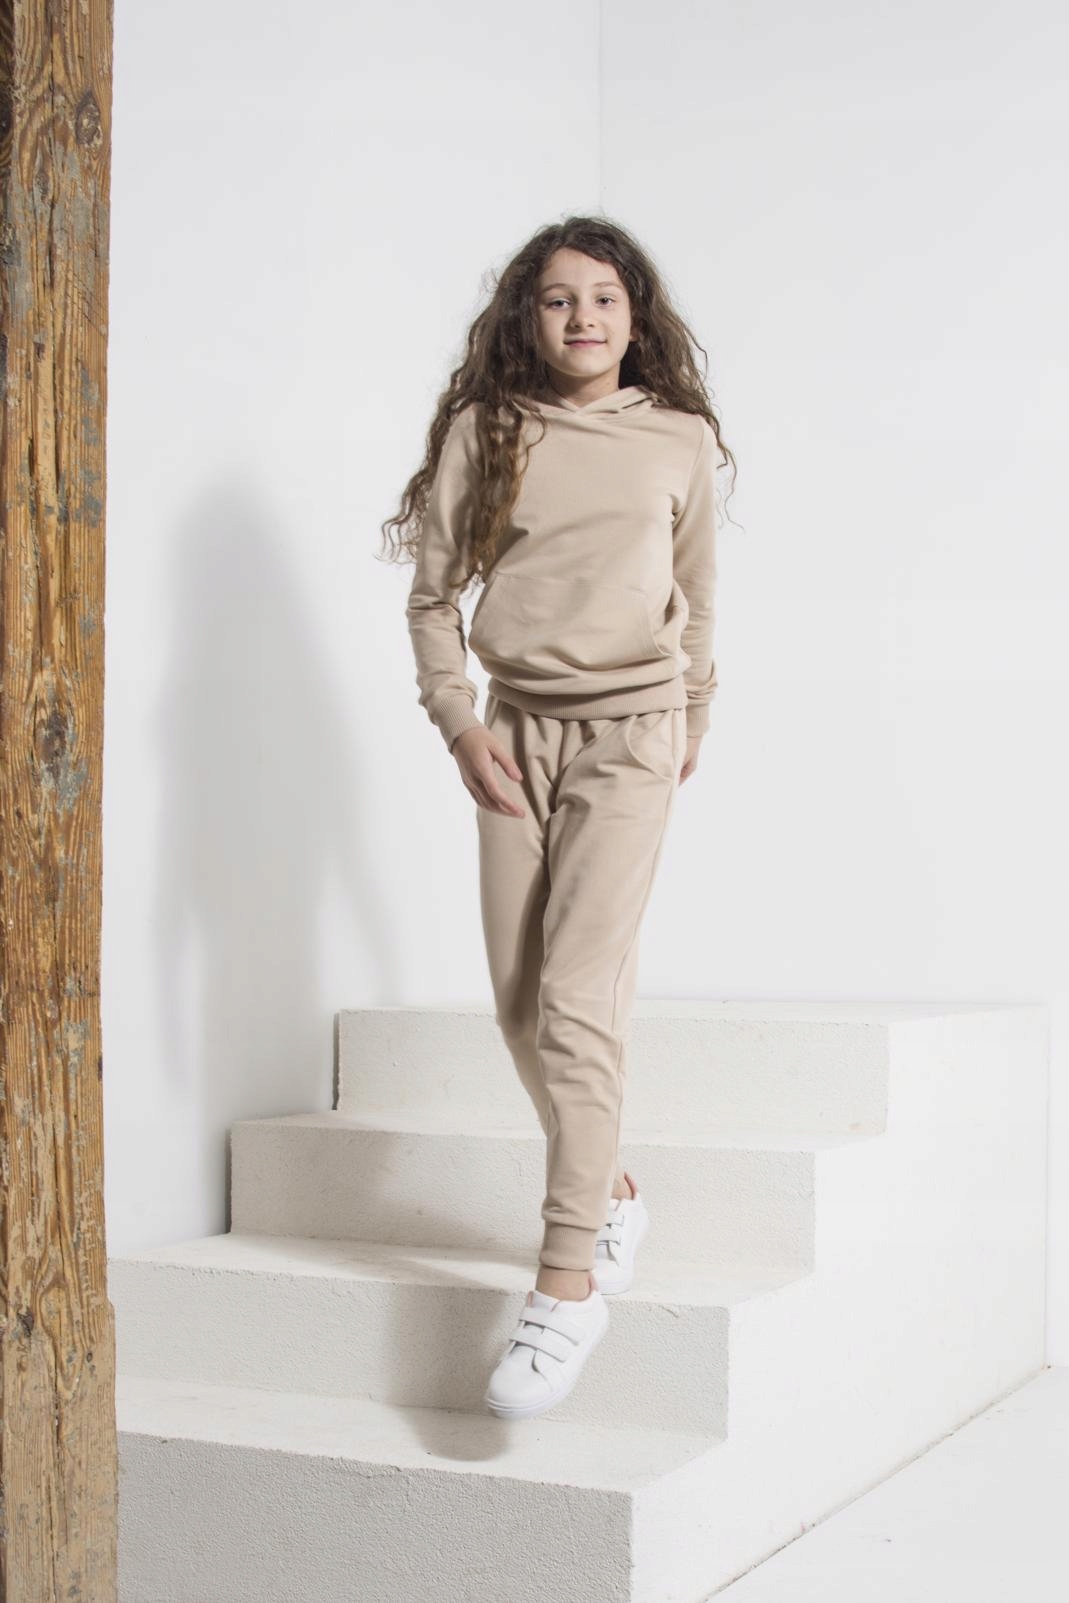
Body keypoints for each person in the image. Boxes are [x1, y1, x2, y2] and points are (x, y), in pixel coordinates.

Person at [380, 214, 733, 1421]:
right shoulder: (489, 431)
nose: (582, 316)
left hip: (633, 734)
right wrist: (457, 723)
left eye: (603, 298)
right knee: (519, 1000)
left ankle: (566, 1282)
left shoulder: (678, 439)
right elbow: (433, 598)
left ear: (636, 317)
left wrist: (692, 714)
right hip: (512, 737)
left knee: (579, 997)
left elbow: (697, 597)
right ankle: (613, 1192)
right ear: (525, 320)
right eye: (556, 299)